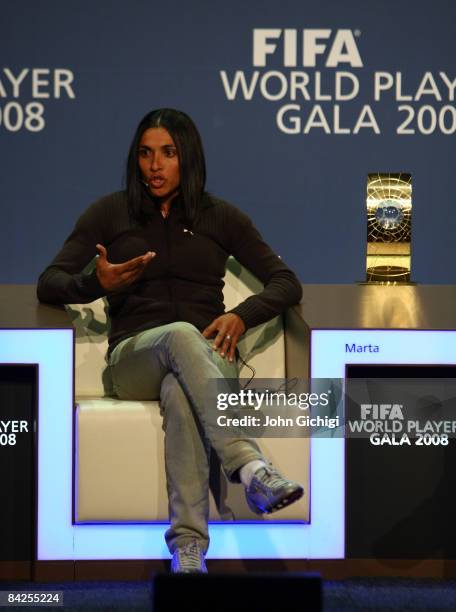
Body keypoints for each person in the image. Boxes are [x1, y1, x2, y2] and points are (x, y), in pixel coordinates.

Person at [37, 108, 304, 574]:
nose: (154, 166)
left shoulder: (220, 217)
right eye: (144, 154)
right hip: (132, 360)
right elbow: (49, 281)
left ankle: (188, 550)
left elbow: (285, 283)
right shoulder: (109, 213)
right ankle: (249, 467)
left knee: (181, 394)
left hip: (206, 363)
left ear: (189, 158)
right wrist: (97, 284)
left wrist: (242, 316)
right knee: (180, 337)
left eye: (167, 153)